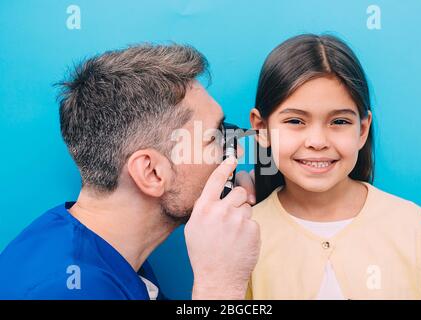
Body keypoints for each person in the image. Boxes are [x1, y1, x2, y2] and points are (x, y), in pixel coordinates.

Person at [0, 44, 259, 300]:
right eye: (214, 137)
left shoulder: (108, 255)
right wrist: (219, 286)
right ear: (152, 173)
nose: (235, 151)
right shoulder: (68, 290)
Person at [247, 34, 421, 299]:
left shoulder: (411, 224)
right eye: (296, 121)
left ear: (362, 130)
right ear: (261, 128)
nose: (317, 142)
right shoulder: (246, 233)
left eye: (339, 122)